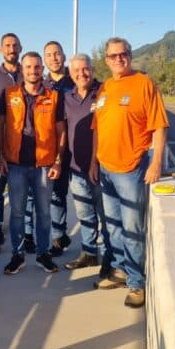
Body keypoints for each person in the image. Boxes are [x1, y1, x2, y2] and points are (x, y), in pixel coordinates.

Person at [91, 37, 169, 308]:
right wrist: (94, 163)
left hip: (131, 169)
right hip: (106, 168)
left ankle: (136, 283)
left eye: (123, 54)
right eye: (113, 56)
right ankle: (120, 270)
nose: (118, 59)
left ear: (130, 55)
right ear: (106, 60)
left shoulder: (144, 84)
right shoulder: (106, 87)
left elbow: (159, 126)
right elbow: (99, 128)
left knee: (132, 228)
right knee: (112, 227)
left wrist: (156, 162)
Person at [0, 51, 66, 275]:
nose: (33, 71)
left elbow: (61, 131)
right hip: (16, 165)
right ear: (21, 70)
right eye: (28, 67)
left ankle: (43, 254)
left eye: (36, 67)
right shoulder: (8, 94)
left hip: (44, 165)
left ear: (42, 69)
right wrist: (1, 157)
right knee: (17, 213)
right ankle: (17, 256)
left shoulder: (53, 96)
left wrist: (58, 161)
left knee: (44, 213)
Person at [0, 33, 35, 255]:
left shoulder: (30, 73)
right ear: (0, 50)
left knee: (28, 192)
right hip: (0, 145)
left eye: (15, 45)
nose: (12, 49)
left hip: (28, 146)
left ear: (21, 47)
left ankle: (28, 233)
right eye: (7, 46)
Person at [62, 53, 113, 274]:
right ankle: (89, 253)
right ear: (71, 74)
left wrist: (96, 162)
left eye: (86, 69)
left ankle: (111, 257)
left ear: (92, 69)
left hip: (101, 167)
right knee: (85, 214)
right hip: (75, 167)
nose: (82, 74)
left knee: (106, 214)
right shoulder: (67, 97)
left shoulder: (104, 92)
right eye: (77, 71)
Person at [42, 41, 75, 257]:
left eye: (57, 54)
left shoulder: (77, 81)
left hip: (79, 149)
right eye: (49, 55)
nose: (54, 58)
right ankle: (58, 236)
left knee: (88, 199)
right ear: (45, 60)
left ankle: (96, 244)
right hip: (54, 150)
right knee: (56, 194)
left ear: (63, 56)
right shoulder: (41, 86)